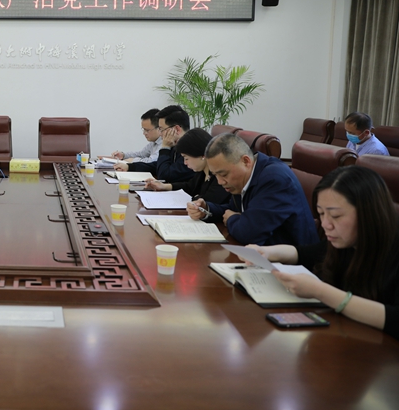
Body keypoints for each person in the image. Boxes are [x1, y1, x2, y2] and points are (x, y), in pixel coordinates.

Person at [248, 167, 399, 340]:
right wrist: (266, 252)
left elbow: (395, 319)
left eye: (336, 215)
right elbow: (307, 253)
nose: (326, 224)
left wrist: (320, 291)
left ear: (368, 212)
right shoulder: (347, 240)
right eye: (321, 213)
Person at [187, 133, 317, 246]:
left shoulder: (274, 179)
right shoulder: (247, 177)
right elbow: (232, 209)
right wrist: (206, 210)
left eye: (224, 174)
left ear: (246, 161)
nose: (220, 182)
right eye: (215, 175)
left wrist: (232, 219)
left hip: (292, 263)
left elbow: (249, 233)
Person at [144, 128, 230, 206]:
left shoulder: (220, 176)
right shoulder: (203, 171)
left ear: (202, 155)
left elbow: (208, 201)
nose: (185, 163)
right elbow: (189, 186)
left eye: (186, 158)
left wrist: (195, 197)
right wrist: (164, 186)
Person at [119, 105, 193, 184]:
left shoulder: (191, 150)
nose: (160, 134)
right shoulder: (175, 145)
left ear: (177, 129)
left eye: (161, 129)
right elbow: (157, 166)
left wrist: (165, 147)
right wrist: (130, 167)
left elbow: (164, 176)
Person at [109, 108, 162, 174]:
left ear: (159, 128)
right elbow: (141, 154)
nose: (144, 133)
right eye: (143, 129)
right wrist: (124, 155)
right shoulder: (154, 142)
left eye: (147, 130)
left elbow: (151, 162)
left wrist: (133, 160)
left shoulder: (164, 143)